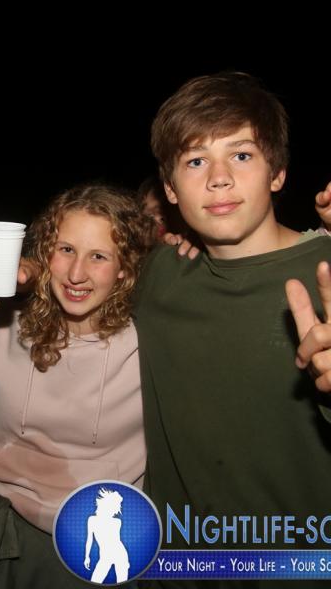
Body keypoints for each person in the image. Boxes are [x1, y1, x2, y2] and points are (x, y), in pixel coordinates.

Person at [134, 71, 331, 588]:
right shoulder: (159, 274)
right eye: (196, 161)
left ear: (277, 172)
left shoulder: (327, 272)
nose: (218, 178)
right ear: (170, 189)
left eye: (241, 155)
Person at [0, 184, 150, 587]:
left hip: (92, 543)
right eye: (66, 250)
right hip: (0, 529)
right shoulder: (4, 324)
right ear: (45, 253)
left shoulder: (146, 346)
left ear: (124, 268)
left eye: (98, 256)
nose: (76, 274)